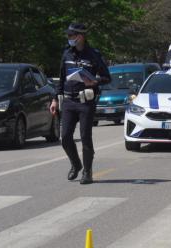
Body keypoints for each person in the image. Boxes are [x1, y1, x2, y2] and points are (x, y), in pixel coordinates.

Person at [50, 23, 111, 184]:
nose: (69, 38)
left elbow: (107, 77)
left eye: (71, 35)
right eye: (68, 36)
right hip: (69, 101)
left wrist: (95, 81)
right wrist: (55, 99)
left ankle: (87, 172)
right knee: (65, 138)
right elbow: (62, 79)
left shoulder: (93, 55)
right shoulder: (66, 54)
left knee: (85, 137)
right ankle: (76, 164)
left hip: (86, 102)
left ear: (80, 36)